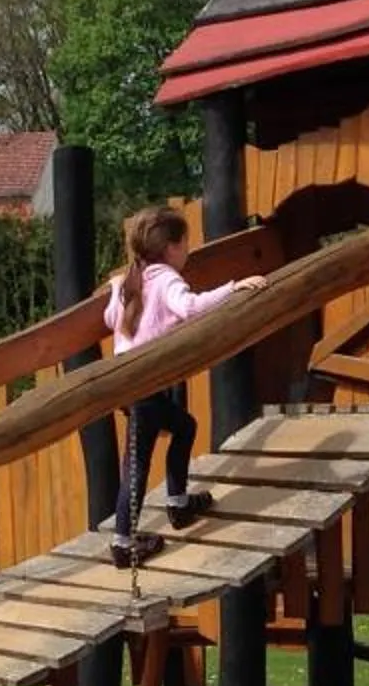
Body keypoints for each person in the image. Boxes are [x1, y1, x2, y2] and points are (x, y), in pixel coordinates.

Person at [105, 206, 262, 567]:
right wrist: (234, 287)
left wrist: (116, 292)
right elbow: (189, 308)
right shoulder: (166, 279)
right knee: (137, 463)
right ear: (172, 247)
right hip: (143, 382)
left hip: (128, 382)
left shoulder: (129, 279)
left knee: (184, 425)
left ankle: (177, 504)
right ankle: (123, 542)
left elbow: (110, 318)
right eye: (186, 242)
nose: (189, 250)